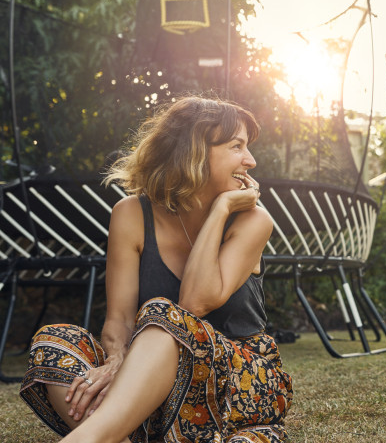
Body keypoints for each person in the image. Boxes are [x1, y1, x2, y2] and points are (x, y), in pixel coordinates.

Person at [19, 96, 292, 443]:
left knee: (164, 316)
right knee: (54, 341)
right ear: (193, 152)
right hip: (150, 381)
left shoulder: (253, 220)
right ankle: (125, 429)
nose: (250, 161)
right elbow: (119, 319)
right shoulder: (131, 213)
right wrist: (117, 361)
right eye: (236, 146)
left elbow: (193, 303)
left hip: (236, 381)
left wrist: (221, 209)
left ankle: (93, 437)